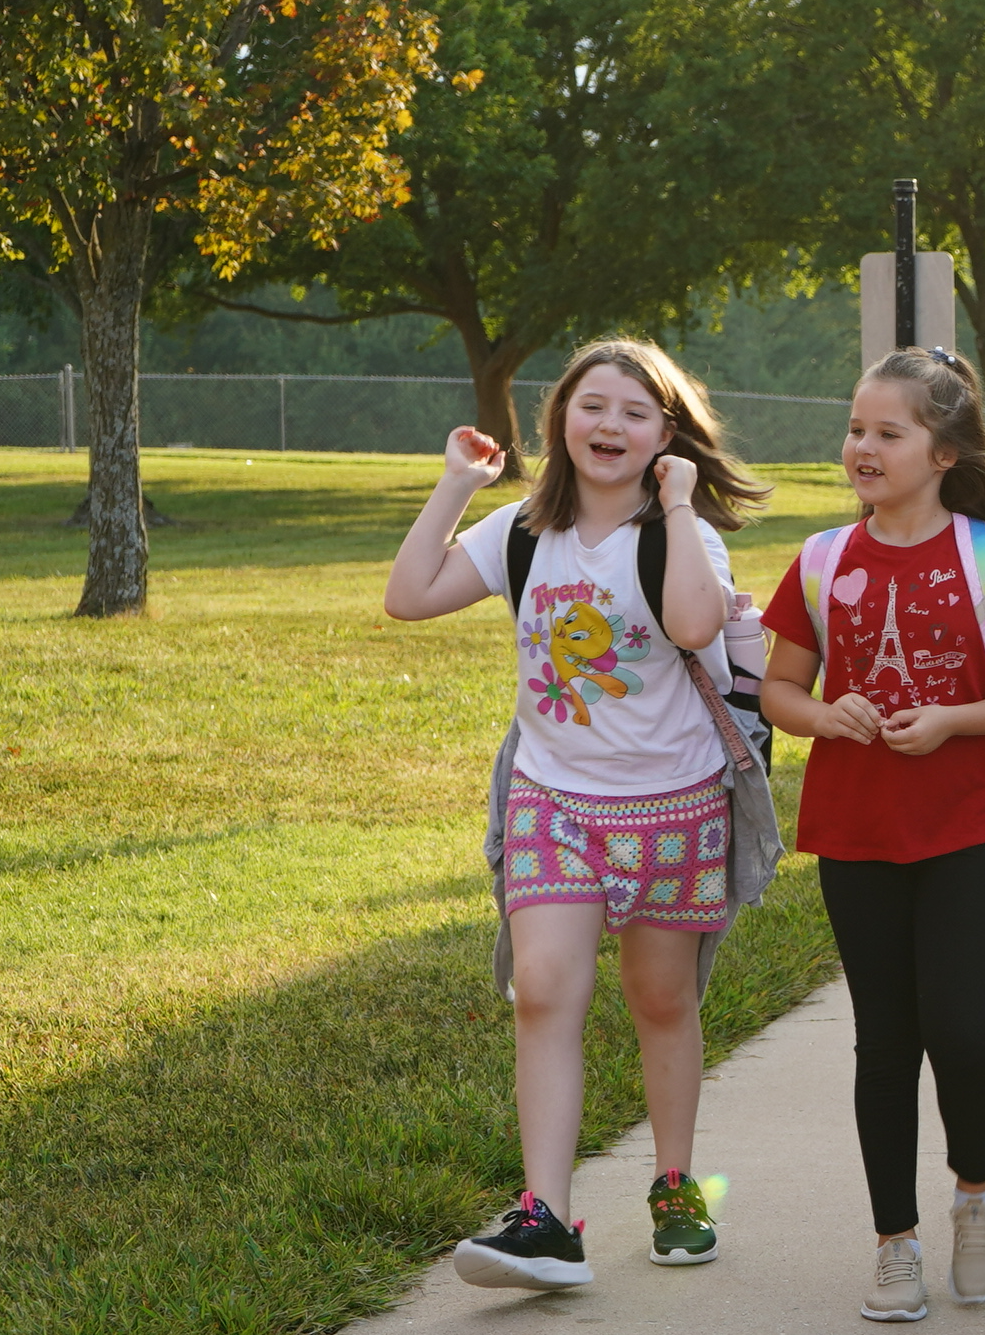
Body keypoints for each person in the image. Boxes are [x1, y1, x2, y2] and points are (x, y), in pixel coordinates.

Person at [383, 339, 778, 1293]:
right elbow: (407, 597)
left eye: (635, 413)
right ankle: (546, 1217)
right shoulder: (522, 530)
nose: (609, 425)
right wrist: (456, 484)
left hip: (675, 801)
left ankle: (677, 1186)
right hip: (553, 799)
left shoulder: (678, 530)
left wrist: (680, 504)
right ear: (561, 417)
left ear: (666, 437)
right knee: (543, 990)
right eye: (592, 405)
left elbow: (691, 626)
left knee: (661, 999)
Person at [759, 348, 985, 1319]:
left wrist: (948, 720)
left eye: (887, 432)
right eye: (857, 428)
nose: (863, 446)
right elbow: (776, 687)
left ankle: (977, 1193)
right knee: (883, 1043)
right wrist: (822, 716)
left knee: (959, 1029)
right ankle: (895, 1241)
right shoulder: (821, 560)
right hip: (854, 829)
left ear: (943, 451)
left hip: (968, 824)